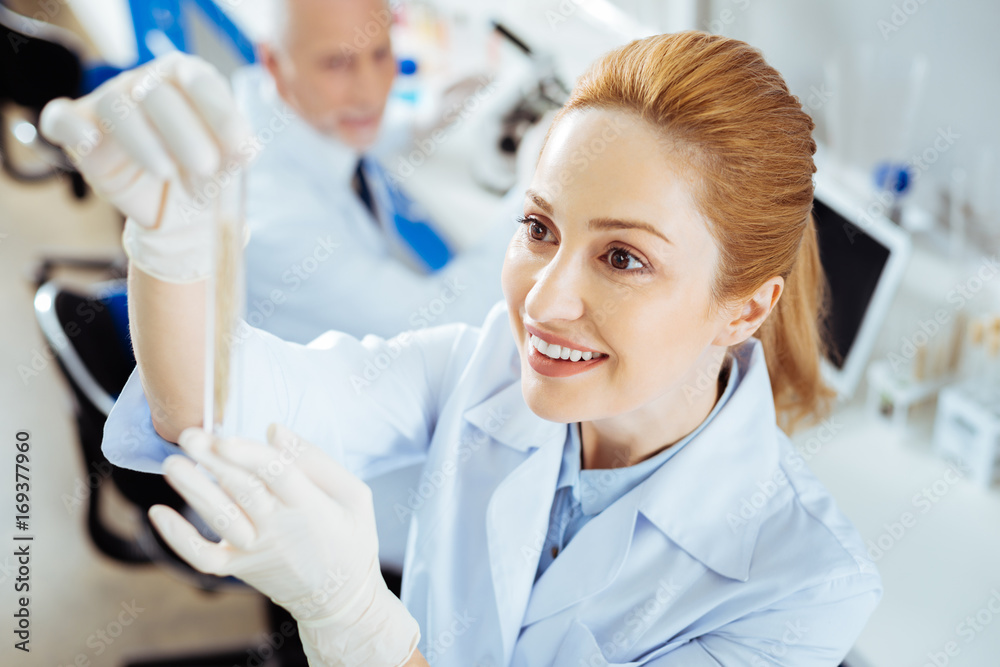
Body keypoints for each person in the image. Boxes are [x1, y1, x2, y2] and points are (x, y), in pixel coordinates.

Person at [42, 31, 882, 666]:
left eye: (623, 257)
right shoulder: (479, 368)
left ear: (744, 308)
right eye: (539, 228)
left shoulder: (803, 583)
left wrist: (356, 619)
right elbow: (208, 407)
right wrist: (173, 242)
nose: (543, 302)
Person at [238, 0, 518, 343]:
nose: (370, 93)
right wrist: (541, 200)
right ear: (274, 63)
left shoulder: (284, 113)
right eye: (337, 63)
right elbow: (439, 323)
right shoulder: (276, 219)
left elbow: (332, 137)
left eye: (381, 53)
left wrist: (416, 126)